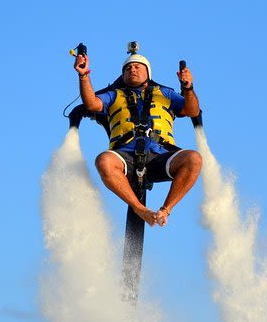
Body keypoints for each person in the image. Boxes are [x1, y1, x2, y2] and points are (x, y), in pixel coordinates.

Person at [74, 49, 202, 227]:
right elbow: (91, 103)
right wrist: (84, 76)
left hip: (160, 155)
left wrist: (188, 88)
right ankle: (139, 209)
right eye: (128, 68)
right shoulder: (114, 95)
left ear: (148, 72)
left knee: (194, 159)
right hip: (125, 156)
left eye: (137, 67)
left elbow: (192, 110)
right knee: (104, 161)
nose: (132, 70)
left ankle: (165, 210)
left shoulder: (166, 93)